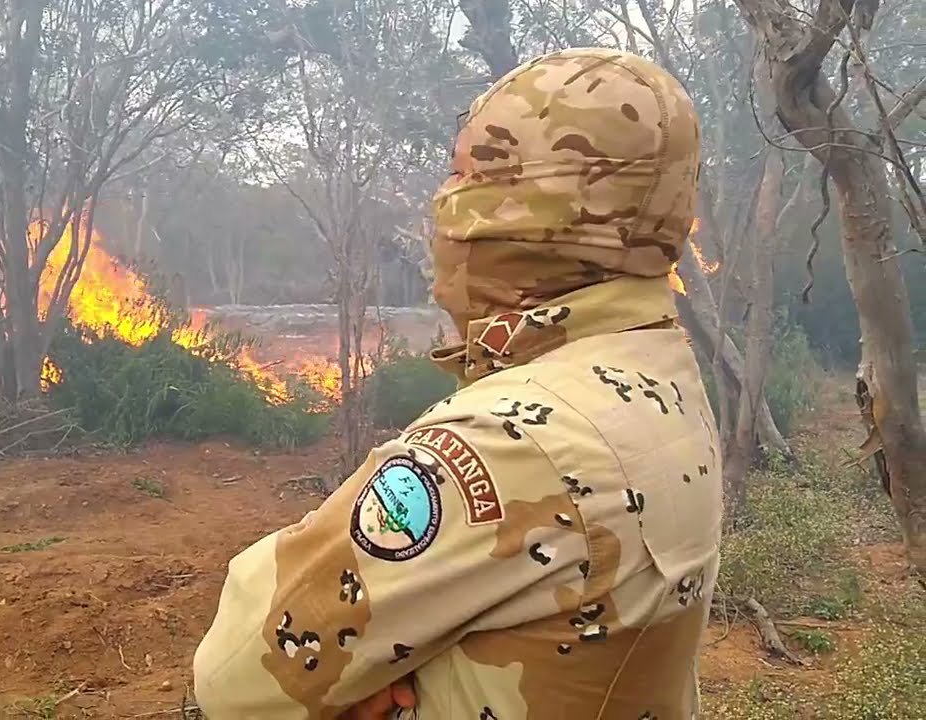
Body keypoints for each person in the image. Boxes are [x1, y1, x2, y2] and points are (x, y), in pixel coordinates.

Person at [192, 47, 721, 719]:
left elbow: (239, 672)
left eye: (463, 175)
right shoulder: (655, 366)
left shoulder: (509, 440)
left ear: (526, 210)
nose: (443, 203)